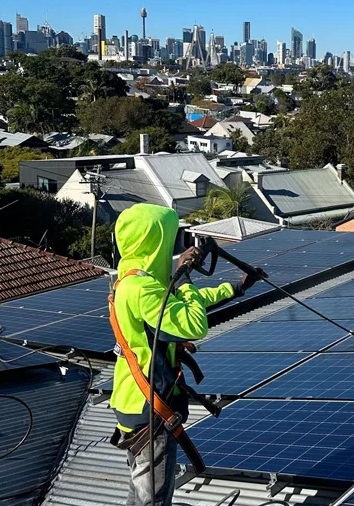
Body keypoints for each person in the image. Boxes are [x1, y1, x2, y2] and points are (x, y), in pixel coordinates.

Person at [108, 204, 264, 506]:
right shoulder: (143, 288)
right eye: (170, 237)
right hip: (149, 406)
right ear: (155, 240)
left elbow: (180, 306)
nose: (175, 247)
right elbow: (192, 323)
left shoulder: (132, 280)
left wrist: (236, 287)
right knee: (152, 497)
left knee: (141, 487)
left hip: (131, 398)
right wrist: (183, 277)